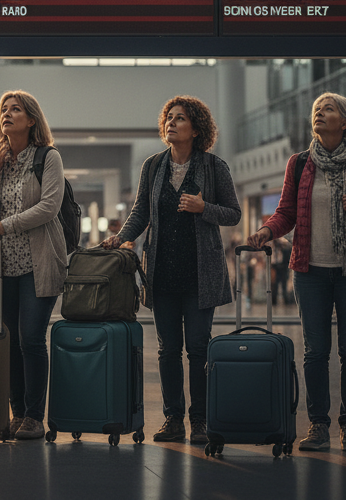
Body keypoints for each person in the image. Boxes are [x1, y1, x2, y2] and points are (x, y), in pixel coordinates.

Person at [248, 92, 346, 453]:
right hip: (309, 270)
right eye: (316, 110)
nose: (319, 114)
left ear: (345, 122)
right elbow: (286, 213)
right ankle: (318, 425)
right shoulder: (299, 164)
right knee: (315, 352)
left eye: (327, 109)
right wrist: (267, 230)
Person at [103, 96, 240, 445]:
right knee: (167, 349)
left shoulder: (213, 167)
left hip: (200, 273)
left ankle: (201, 421)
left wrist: (203, 206)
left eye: (180, 119)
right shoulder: (153, 166)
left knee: (197, 347)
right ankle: (173, 419)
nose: (172, 123)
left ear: (196, 129)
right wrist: (121, 238)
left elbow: (233, 213)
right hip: (161, 272)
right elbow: (140, 214)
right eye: (169, 118)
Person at [0, 90, 67, 442]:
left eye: (16, 110)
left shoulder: (47, 158)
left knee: (30, 338)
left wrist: (6, 225)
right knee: (9, 341)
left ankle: (33, 416)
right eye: (4, 110)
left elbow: (49, 208)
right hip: (2, 268)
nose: (8, 115)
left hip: (39, 264)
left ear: (31, 120)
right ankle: (15, 415)